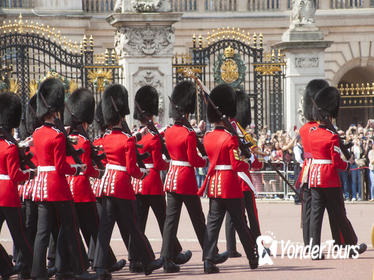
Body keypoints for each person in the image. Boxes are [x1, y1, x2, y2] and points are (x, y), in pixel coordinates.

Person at [94, 84, 162, 279]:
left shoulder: (106, 138)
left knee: (105, 228)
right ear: (122, 116)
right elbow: (132, 169)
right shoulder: (127, 140)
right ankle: (148, 261)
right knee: (134, 226)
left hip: (107, 184)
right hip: (122, 186)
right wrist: (143, 175)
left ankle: (100, 267)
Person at [161, 81, 227, 273]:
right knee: (198, 220)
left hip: (172, 179)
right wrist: (205, 160)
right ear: (187, 111)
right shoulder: (188, 133)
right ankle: (210, 254)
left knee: (170, 222)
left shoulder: (169, 131)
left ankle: (166, 259)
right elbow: (193, 160)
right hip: (186, 181)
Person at [31, 78, 94, 280]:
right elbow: (60, 166)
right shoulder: (57, 135)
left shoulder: (37, 133)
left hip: (41, 186)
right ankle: (80, 270)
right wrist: (76, 170)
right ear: (56, 110)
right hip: (57, 187)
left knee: (42, 233)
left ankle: (37, 272)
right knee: (70, 228)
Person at [129, 85, 191, 270]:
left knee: (137, 224)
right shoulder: (154, 137)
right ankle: (171, 256)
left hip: (137, 183)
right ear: (151, 114)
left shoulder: (133, 135)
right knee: (165, 221)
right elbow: (158, 164)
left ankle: (135, 260)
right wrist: (170, 163)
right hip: (153, 183)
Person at [64, 88, 126, 272]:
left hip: (68, 189)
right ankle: (103, 263)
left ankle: (96, 261)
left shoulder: (67, 138)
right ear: (85, 121)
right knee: (94, 229)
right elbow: (86, 169)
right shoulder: (82, 141)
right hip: (82, 191)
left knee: (74, 230)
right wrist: (98, 174)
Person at [199, 84, 258, 273]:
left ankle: (208, 261)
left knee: (212, 225)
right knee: (240, 223)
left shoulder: (208, 136)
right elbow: (236, 164)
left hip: (214, 184)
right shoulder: (230, 138)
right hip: (230, 185)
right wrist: (248, 160)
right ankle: (252, 256)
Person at [308, 86, 367, 259]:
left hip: (315, 176)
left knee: (316, 216)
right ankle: (351, 246)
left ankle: (314, 250)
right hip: (329, 178)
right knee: (340, 214)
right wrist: (347, 166)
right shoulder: (331, 136)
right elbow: (335, 161)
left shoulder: (312, 133)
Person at [225, 89, 264, 258]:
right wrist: (257, 161)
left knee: (232, 215)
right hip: (243, 178)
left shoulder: (231, 127)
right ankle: (257, 244)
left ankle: (231, 247)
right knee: (251, 214)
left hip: (230, 179)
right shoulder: (239, 131)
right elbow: (252, 158)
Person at [0, 92, 34, 279]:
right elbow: (15, 175)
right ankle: (34, 267)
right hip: (9, 196)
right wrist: (29, 173)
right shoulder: (10, 146)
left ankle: (5, 267)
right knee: (20, 237)